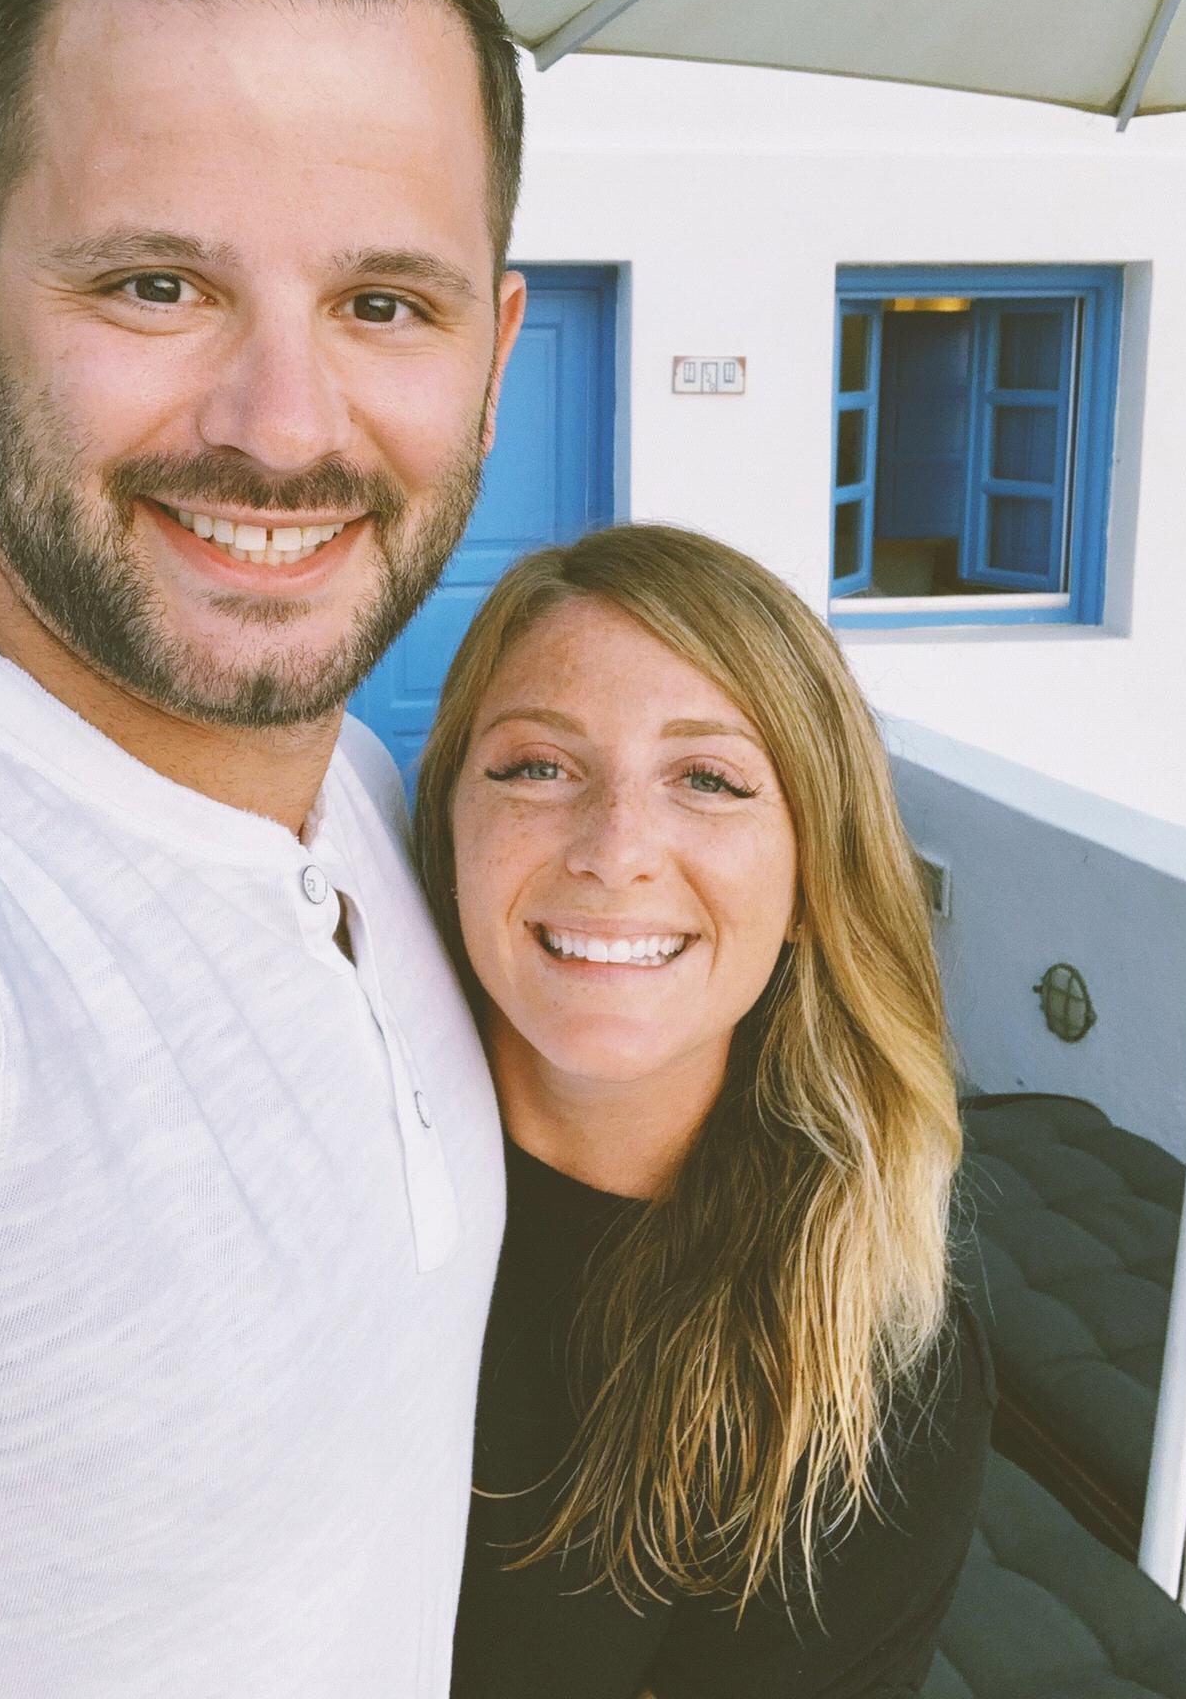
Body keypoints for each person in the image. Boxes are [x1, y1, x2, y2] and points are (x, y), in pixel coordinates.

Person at [0, 0, 528, 1698]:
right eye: (155, 285)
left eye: (383, 306)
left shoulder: (346, 775)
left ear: (493, 346)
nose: (282, 432)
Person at [412, 524, 995, 1699]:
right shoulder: (311, 1149)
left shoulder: (865, 1365)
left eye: (710, 780)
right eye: (537, 765)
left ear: (805, 883)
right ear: (450, 824)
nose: (614, 850)